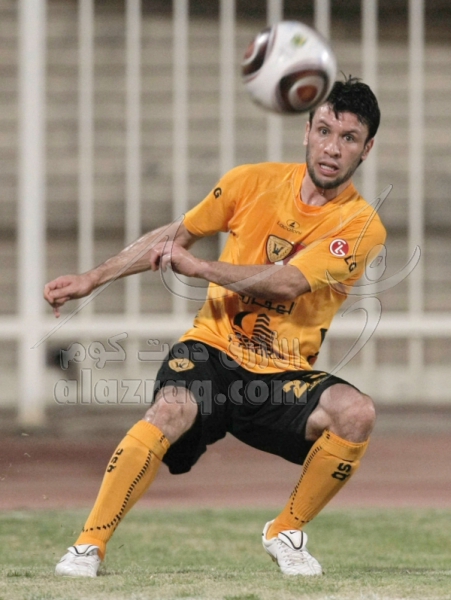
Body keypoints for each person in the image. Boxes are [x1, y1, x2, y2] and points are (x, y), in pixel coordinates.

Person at [44, 76, 385, 578]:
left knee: (356, 413)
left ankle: (285, 531)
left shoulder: (361, 226)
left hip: (281, 376)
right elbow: (176, 234)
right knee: (169, 409)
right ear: (306, 131)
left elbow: (288, 283)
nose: (332, 148)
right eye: (324, 131)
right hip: (212, 351)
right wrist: (92, 278)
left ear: (366, 149)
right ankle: (87, 547)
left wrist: (201, 268)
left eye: (349, 137)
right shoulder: (252, 182)